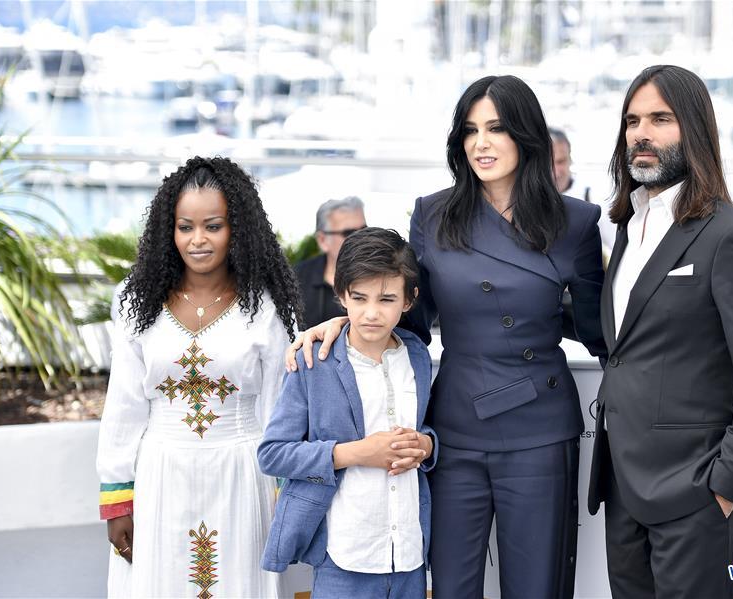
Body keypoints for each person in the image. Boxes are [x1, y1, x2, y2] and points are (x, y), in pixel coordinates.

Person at [289, 75, 605, 599]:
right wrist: (346, 322)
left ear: (526, 135)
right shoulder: (433, 213)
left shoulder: (575, 221)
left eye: (497, 128)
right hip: (455, 430)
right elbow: (410, 317)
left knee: (537, 587)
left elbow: (600, 331)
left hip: (539, 431)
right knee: (452, 586)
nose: (481, 143)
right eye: (470, 130)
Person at [585, 65, 733, 599]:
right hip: (622, 485)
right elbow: (628, 342)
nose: (641, 133)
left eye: (660, 118)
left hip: (695, 492)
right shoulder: (631, 226)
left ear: (694, 130)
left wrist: (725, 487)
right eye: (632, 120)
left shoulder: (732, 237)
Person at [96, 156, 302, 598]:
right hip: (160, 472)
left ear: (237, 230)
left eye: (213, 225)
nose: (198, 240)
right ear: (169, 231)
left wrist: (285, 491)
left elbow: (280, 408)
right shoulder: (137, 304)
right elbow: (123, 407)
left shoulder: (266, 310)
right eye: (185, 226)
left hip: (244, 474)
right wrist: (117, 499)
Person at [258, 227, 437, 598]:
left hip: (408, 554)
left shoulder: (417, 355)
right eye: (359, 298)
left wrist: (426, 445)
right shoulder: (313, 360)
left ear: (409, 300)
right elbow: (273, 453)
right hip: (345, 554)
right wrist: (356, 453)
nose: (371, 313)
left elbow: (428, 430)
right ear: (341, 295)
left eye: (387, 299)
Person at [294, 196, 367, 328]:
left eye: (364, 230)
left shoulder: (383, 275)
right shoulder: (296, 279)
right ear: (322, 240)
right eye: (349, 233)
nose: (361, 238)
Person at [549, 127, 615, 253]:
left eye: (560, 162)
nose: (556, 172)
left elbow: (617, 245)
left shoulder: (593, 199)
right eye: (548, 163)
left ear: (570, 158)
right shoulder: (520, 201)